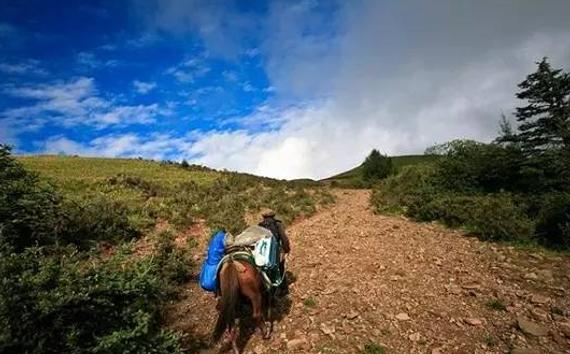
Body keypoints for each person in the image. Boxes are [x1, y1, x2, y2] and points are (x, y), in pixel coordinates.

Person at [258, 209, 290, 294]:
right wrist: (286, 249)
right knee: (280, 268)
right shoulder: (277, 224)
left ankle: (268, 289)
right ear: (273, 216)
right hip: (276, 251)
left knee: (265, 269)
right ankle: (284, 289)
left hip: (264, 252)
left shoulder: (260, 226)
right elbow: (283, 238)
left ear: (263, 217)